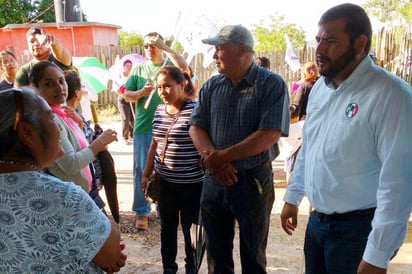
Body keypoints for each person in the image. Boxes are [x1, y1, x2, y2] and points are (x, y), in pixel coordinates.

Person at [280, 4, 412, 274]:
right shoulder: (320, 88)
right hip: (317, 223)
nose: (319, 50)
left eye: (330, 41)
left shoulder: (391, 95)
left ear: (359, 43)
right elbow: (310, 147)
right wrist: (293, 196)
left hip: (358, 231)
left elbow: (398, 183)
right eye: (318, 40)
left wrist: (377, 255)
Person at [189, 25, 290, 273]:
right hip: (214, 181)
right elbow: (195, 126)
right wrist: (213, 160)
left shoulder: (271, 84)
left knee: (253, 255)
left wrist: (221, 157)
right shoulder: (212, 86)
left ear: (243, 50)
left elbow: (269, 134)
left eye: (220, 49)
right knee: (215, 254)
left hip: (252, 183)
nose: (214, 56)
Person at [0, 88, 126, 272]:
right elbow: (110, 255)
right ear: (27, 133)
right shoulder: (62, 196)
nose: (59, 127)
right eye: (51, 118)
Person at [141, 66, 203, 274]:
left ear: (182, 85)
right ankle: (169, 268)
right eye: (159, 87)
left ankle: (191, 268)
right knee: (167, 228)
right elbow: (153, 145)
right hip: (165, 184)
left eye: (167, 86)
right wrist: (145, 174)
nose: (163, 92)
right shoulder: (159, 111)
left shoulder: (196, 110)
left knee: (190, 230)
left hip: (192, 185)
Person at [123, 32, 188, 230]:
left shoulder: (169, 65)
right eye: (146, 46)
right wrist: (141, 93)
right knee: (141, 170)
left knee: (167, 169)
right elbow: (126, 95)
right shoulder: (139, 69)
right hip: (144, 126)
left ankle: (163, 207)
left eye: (153, 45)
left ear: (160, 46)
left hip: (170, 125)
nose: (149, 49)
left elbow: (184, 67)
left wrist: (167, 48)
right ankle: (142, 211)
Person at [30, 61, 118, 195]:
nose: (59, 88)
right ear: (36, 89)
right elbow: (71, 164)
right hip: (69, 196)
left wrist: (79, 126)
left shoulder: (63, 113)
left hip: (81, 192)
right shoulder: (50, 120)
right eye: (49, 84)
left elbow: (78, 147)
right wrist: (99, 144)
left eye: (61, 81)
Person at [280, 104, 303, 183]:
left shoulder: (282, 126)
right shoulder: (299, 126)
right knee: (290, 171)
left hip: (287, 152)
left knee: (289, 171)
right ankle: (289, 186)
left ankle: (289, 186)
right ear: (297, 117)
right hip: (294, 152)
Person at [115, 59, 134, 144]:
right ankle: (124, 137)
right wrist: (122, 93)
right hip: (122, 99)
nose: (129, 67)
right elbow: (116, 89)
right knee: (125, 118)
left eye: (130, 66)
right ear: (124, 67)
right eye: (127, 66)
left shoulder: (133, 76)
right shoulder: (119, 76)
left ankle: (132, 135)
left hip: (131, 98)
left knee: (132, 118)